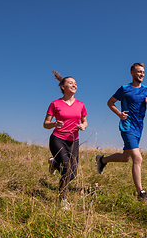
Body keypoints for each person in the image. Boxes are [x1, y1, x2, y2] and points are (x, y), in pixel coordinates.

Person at [96, 62, 147, 201]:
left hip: (139, 127)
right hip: (127, 126)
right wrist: (119, 114)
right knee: (138, 158)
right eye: (139, 71)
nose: (142, 74)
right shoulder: (125, 89)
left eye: (143, 72)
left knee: (126, 158)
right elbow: (110, 102)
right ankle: (141, 193)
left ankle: (102, 160)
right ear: (132, 73)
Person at [43, 70, 88, 210]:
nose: (74, 85)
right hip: (58, 139)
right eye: (70, 83)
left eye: (75, 83)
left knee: (73, 173)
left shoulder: (80, 104)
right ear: (63, 87)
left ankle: (55, 163)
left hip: (73, 140)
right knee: (67, 168)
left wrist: (83, 126)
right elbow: (45, 124)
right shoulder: (55, 104)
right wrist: (54, 124)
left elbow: (85, 122)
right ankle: (62, 200)